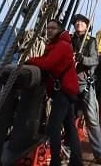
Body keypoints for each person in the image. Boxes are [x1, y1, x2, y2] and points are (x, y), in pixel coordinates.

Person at [26, 19, 83, 166]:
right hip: (67, 90)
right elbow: (47, 60)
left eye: (53, 28)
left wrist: (30, 61)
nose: (49, 30)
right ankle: (77, 161)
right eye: (48, 28)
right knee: (70, 126)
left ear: (59, 30)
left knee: (53, 126)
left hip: (64, 91)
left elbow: (48, 63)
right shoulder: (56, 45)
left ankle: (56, 162)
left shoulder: (62, 46)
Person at [71, 14, 101, 165]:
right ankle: (68, 147)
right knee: (67, 117)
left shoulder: (91, 41)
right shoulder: (69, 40)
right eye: (76, 22)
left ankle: (100, 154)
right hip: (70, 83)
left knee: (92, 120)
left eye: (82, 22)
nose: (79, 23)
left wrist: (82, 59)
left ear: (87, 26)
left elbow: (94, 60)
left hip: (85, 85)